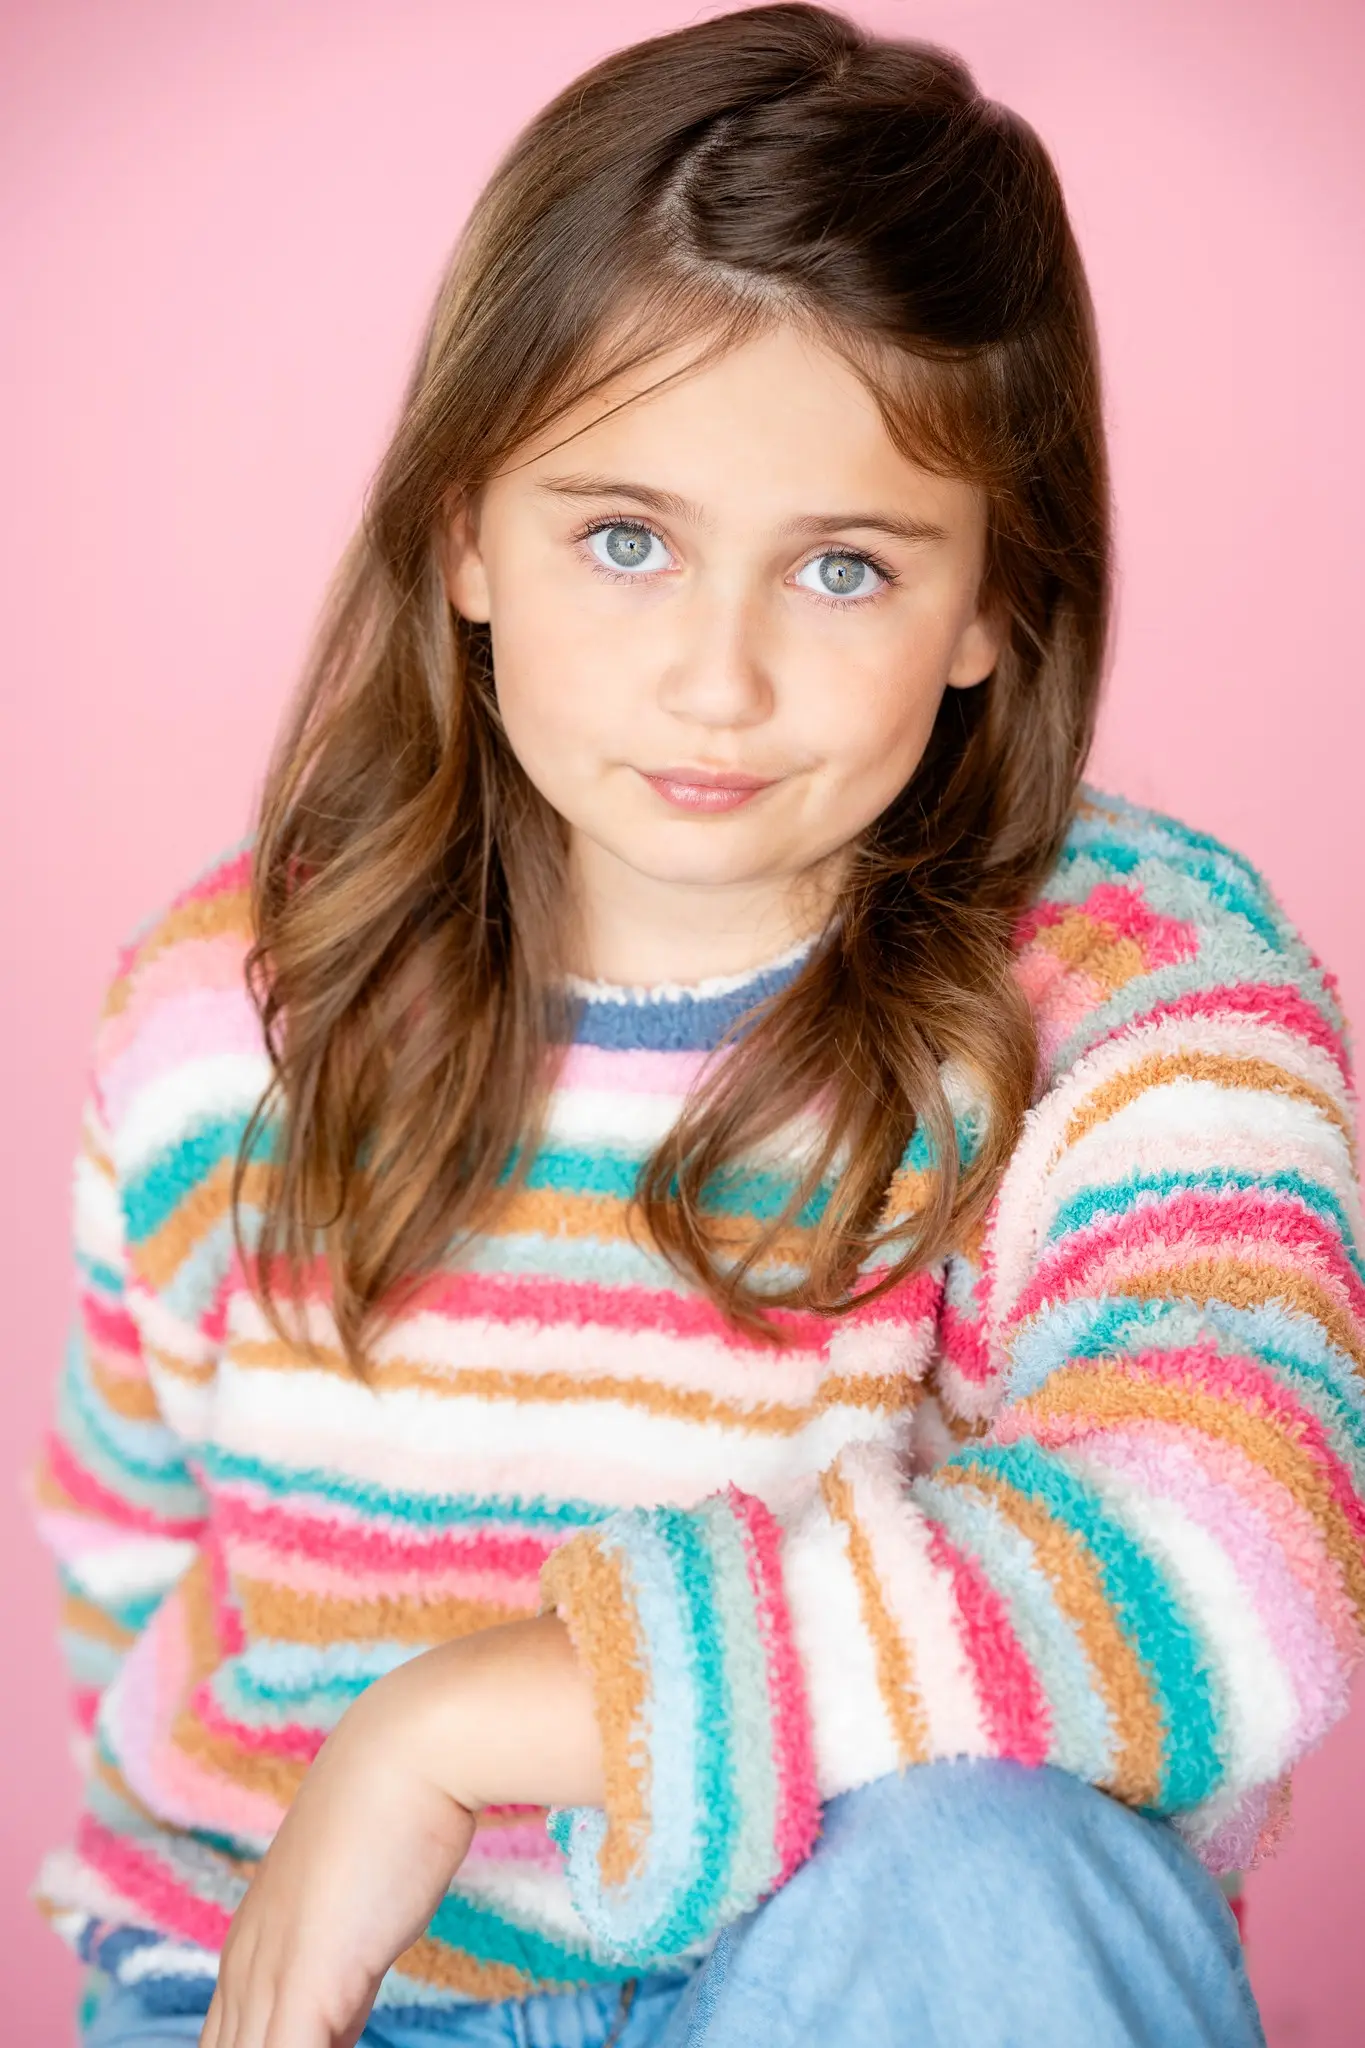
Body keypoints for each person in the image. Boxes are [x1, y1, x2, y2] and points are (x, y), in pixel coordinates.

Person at [26, 4, 1360, 2043]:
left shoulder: (1125, 992)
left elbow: (1236, 1554)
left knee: (991, 1870)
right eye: (625, 539)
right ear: (463, 532)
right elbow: (127, 1568)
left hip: (831, 1985)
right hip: (319, 1996)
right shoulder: (226, 1013)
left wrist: (454, 1726)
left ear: (993, 598)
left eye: (843, 568)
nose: (716, 681)